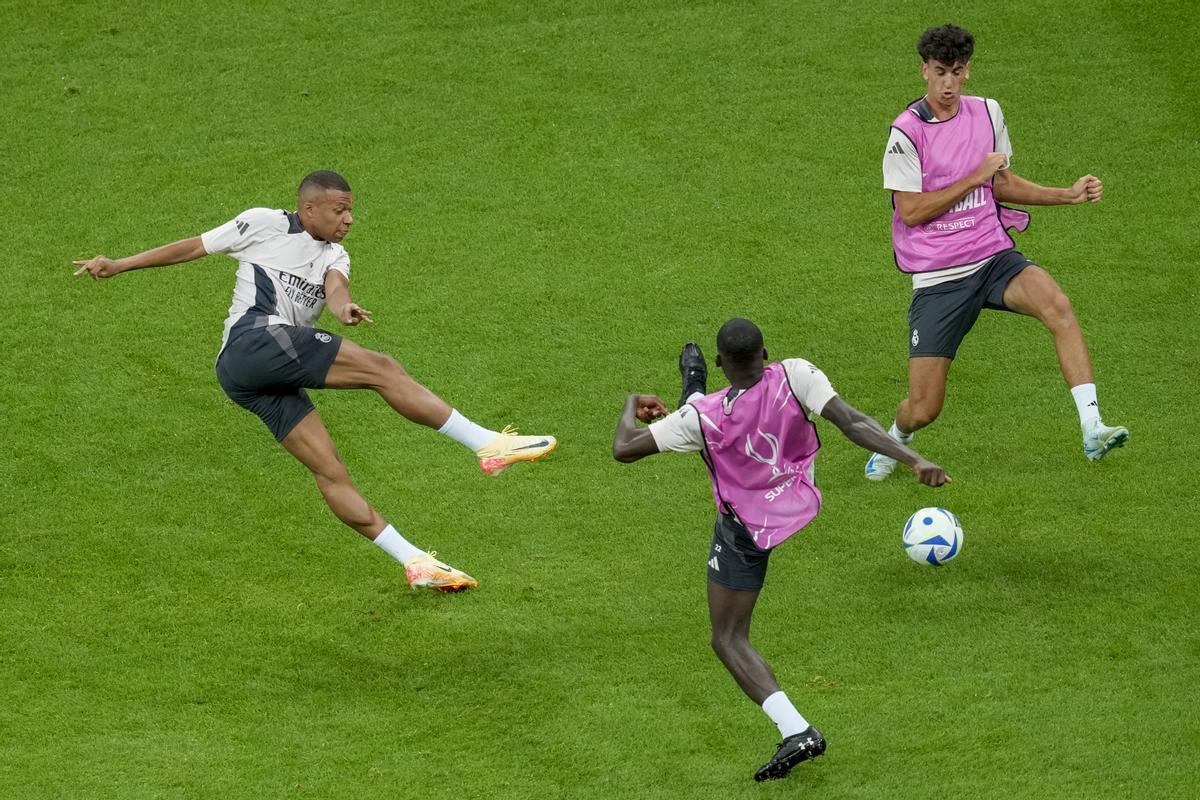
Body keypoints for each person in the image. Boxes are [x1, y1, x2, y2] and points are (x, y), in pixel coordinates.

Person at [72, 170, 556, 592]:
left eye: (351, 212)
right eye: (340, 210)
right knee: (382, 369)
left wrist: (342, 308)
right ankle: (486, 444)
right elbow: (193, 247)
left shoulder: (336, 256)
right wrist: (119, 265)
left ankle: (414, 561)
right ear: (309, 207)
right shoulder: (264, 223)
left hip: (248, 375)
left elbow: (336, 289)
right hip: (252, 341)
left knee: (330, 470)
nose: (349, 220)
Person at [612, 319, 949, 782]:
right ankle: (692, 384)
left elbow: (623, 449)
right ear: (765, 352)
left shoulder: (702, 419)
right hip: (793, 500)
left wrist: (632, 403)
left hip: (746, 529)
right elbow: (850, 421)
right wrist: (914, 459)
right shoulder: (796, 375)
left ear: (721, 362)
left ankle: (798, 731)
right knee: (701, 416)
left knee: (727, 637)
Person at [865, 24, 1128, 481]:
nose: (948, 84)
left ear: (968, 71)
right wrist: (972, 177)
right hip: (939, 277)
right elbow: (910, 211)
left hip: (992, 256)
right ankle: (895, 439)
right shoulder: (906, 133)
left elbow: (1001, 182)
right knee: (924, 408)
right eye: (940, 72)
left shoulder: (987, 113)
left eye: (958, 72)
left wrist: (1066, 194)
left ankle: (1092, 427)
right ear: (923, 70)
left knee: (1058, 307)